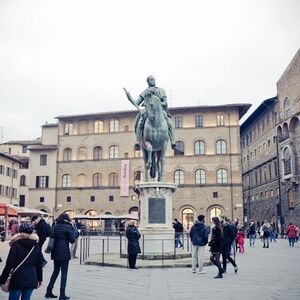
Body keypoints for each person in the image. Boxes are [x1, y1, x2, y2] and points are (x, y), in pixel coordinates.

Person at [124, 75, 176, 149]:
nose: (153, 81)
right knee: (140, 121)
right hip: (148, 110)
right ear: (148, 82)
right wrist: (129, 98)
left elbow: (165, 103)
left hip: (160, 110)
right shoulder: (145, 92)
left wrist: (157, 104)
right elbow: (137, 103)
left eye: (154, 79)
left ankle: (173, 141)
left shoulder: (161, 90)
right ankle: (138, 141)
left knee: (169, 123)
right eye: (151, 79)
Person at [0, 223, 43, 300]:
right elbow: (39, 264)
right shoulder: (36, 245)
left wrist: (3, 279)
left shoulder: (16, 244)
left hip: (17, 278)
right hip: (31, 277)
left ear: (19, 231)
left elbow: (9, 264)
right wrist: (39, 279)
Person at [45, 213, 76, 299]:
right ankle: (62, 294)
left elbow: (52, 236)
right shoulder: (68, 227)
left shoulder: (55, 226)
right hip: (64, 253)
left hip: (55, 252)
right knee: (64, 273)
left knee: (55, 272)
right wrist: (72, 226)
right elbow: (73, 239)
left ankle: (49, 290)